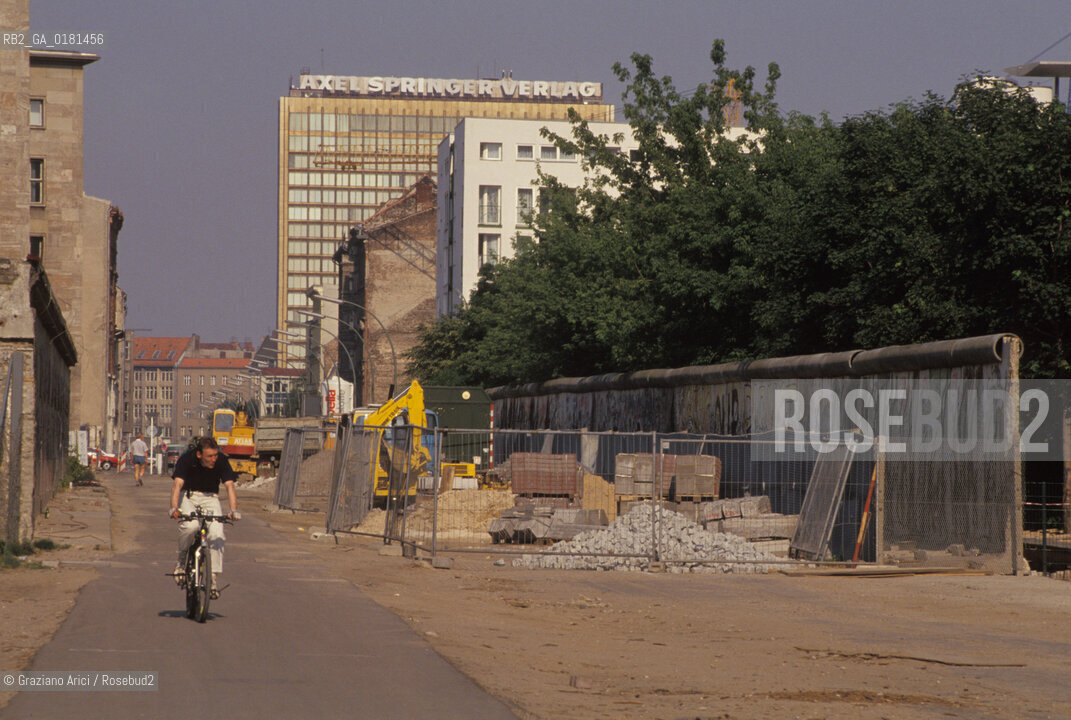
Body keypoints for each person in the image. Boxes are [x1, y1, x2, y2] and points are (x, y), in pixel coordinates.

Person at [169, 437, 241, 598]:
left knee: (216, 534)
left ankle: (213, 579)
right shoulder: (187, 459)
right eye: (210, 456)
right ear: (199, 454)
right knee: (191, 526)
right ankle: (181, 562)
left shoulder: (221, 460)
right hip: (188, 496)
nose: (214, 459)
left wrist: (234, 510)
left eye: (215, 455)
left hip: (211, 498)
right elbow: (177, 485)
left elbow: (229, 485)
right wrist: (174, 508)